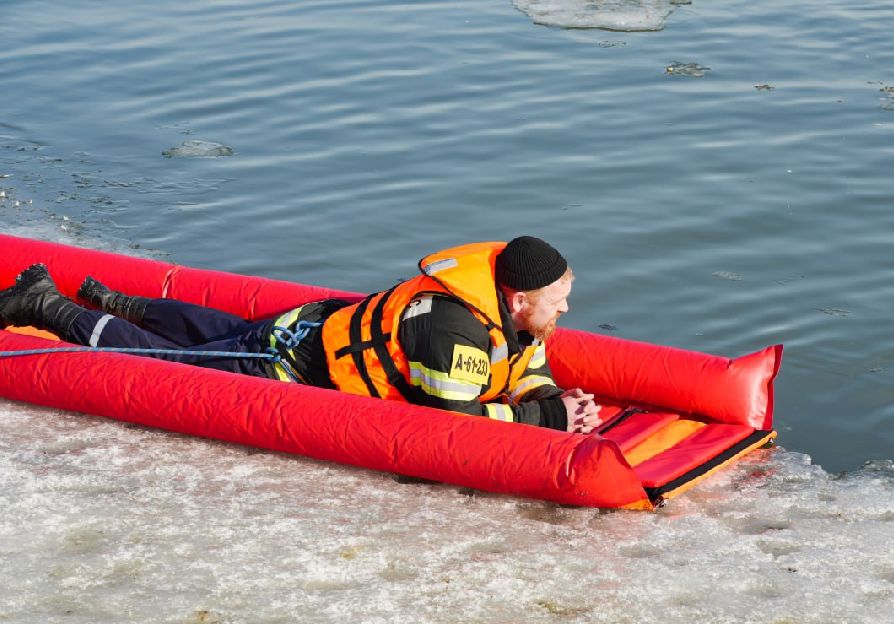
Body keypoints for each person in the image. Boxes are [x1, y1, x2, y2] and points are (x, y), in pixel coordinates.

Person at [0, 236, 602, 433]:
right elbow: (453, 415)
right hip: (291, 364)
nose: (566, 309)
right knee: (177, 365)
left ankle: (118, 299)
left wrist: (552, 400)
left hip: (312, 328)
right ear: (519, 299)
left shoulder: (509, 311)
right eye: (559, 300)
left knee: (225, 335)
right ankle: (49, 307)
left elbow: (527, 369)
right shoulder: (450, 328)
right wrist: (549, 421)